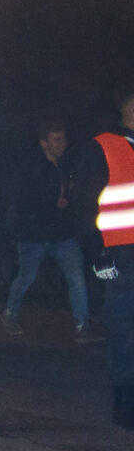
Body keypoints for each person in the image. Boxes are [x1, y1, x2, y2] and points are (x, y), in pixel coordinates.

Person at [71, 89, 134, 428]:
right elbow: (84, 204)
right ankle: (125, 402)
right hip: (122, 256)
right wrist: (98, 254)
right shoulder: (104, 147)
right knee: (125, 331)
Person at [4, 121, 94, 341]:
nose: (63, 143)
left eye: (63, 138)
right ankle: (10, 312)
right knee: (26, 276)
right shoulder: (32, 167)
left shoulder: (66, 166)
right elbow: (23, 198)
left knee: (76, 277)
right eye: (56, 139)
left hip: (62, 235)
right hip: (35, 235)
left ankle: (82, 326)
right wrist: (53, 201)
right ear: (43, 143)